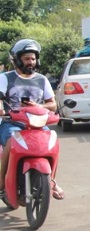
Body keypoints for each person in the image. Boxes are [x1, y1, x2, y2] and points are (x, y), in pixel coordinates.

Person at [0, 39, 65, 200]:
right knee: (11, 142)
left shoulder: (42, 80)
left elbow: (52, 105)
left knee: (52, 142)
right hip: (12, 123)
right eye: (27, 58)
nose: (31, 62)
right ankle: (1, 181)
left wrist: (38, 105)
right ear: (17, 60)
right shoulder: (6, 78)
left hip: (37, 125)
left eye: (33, 58)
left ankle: (51, 180)